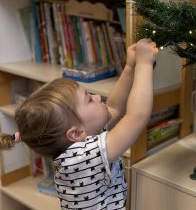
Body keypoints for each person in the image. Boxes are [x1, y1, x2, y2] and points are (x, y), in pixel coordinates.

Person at [2, 38, 158, 210]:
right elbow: (137, 116)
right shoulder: (83, 157)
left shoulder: (80, 140)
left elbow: (113, 107)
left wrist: (129, 68)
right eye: (90, 100)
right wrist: (144, 65)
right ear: (75, 133)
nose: (98, 97)